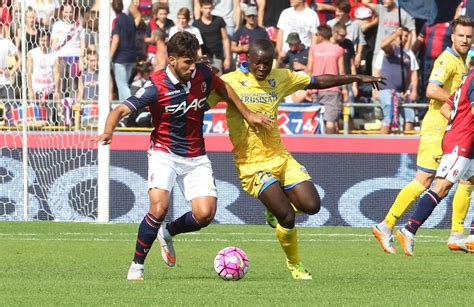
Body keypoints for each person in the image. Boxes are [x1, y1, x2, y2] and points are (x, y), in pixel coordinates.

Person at [94, 31, 272, 281]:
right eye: (188, 61)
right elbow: (122, 108)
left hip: (196, 155)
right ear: (172, 61)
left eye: (195, 60)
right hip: (163, 152)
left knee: (205, 214)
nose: (193, 66)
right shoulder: (155, 86)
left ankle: (167, 233)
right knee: (159, 207)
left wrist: (249, 114)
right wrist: (108, 130)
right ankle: (137, 266)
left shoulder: (203, 74)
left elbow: (224, 88)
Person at [208, 38, 384, 279]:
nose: (262, 68)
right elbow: (199, 105)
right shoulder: (229, 83)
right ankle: (295, 265)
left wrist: (355, 78)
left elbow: (317, 81)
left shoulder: (280, 77)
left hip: (281, 157)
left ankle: (274, 210)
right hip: (251, 163)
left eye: (267, 63)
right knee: (287, 217)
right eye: (258, 63)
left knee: (312, 206)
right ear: (247, 59)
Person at [372, 16, 473, 254]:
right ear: (453, 37)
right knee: (424, 180)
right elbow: (431, 89)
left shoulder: (461, 62)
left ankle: (457, 234)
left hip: (454, 127)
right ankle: (386, 225)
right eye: (461, 35)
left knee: (467, 179)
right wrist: (456, 105)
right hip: (438, 127)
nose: (465, 40)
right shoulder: (447, 60)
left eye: (469, 36)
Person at [396, 70, 474, 256]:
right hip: (462, 141)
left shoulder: (468, 78)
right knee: (442, 187)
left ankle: (472, 237)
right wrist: (460, 127)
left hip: (465, 138)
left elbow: (446, 107)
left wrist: (457, 123)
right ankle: (408, 230)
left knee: (470, 181)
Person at [373, 27, 418, 134]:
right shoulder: (391, 49)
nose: (404, 38)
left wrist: (411, 90)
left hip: (402, 93)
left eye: (406, 36)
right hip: (387, 90)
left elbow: (412, 74)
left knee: (409, 117)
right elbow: (383, 45)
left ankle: (407, 146)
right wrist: (375, 89)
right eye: (402, 36)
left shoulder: (409, 54)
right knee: (389, 117)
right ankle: (381, 146)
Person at [306, 24, 345, 134]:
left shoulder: (313, 49)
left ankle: (317, 146)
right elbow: (341, 72)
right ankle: (330, 147)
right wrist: (345, 89)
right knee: (330, 120)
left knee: (316, 119)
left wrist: (307, 87)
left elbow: (309, 69)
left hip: (316, 88)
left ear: (321, 36)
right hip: (332, 88)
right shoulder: (338, 49)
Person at [193, 0, 231, 75]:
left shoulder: (219, 20)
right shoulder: (196, 24)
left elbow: (225, 39)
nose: (208, 10)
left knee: (217, 79)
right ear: (201, 9)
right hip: (203, 57)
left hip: (217, 56)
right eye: (205, 8)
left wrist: (227, 58)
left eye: (210, 8)